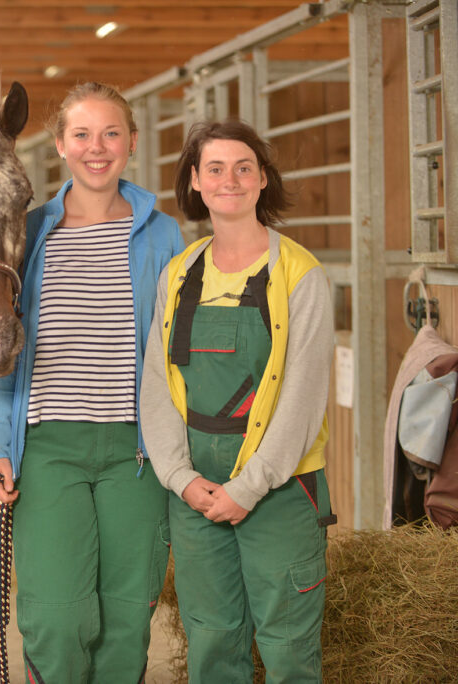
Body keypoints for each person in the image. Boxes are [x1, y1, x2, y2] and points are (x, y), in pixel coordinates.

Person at [0, 82, 184, 683]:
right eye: (82, 135)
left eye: (111, 133)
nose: (98, 148)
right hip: (48, 448)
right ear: (61, 146)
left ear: (132, 143)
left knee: (126, 617)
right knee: (56, 617)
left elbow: (174, 350)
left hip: (136, 452)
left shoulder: (163, 235)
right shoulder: (29, 232)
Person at [140, 119, 336, 682]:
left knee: (288, 645)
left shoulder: (301, 275)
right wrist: (180, 477)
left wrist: (248, 488)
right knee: (212, 641)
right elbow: (156, 382)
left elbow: (301, 401)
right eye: (215, 169)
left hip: (279, 490)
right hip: (196, 489)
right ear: (195, 183)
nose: (231, 179)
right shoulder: (179, 274)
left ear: (262, 181)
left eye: (244, 167)